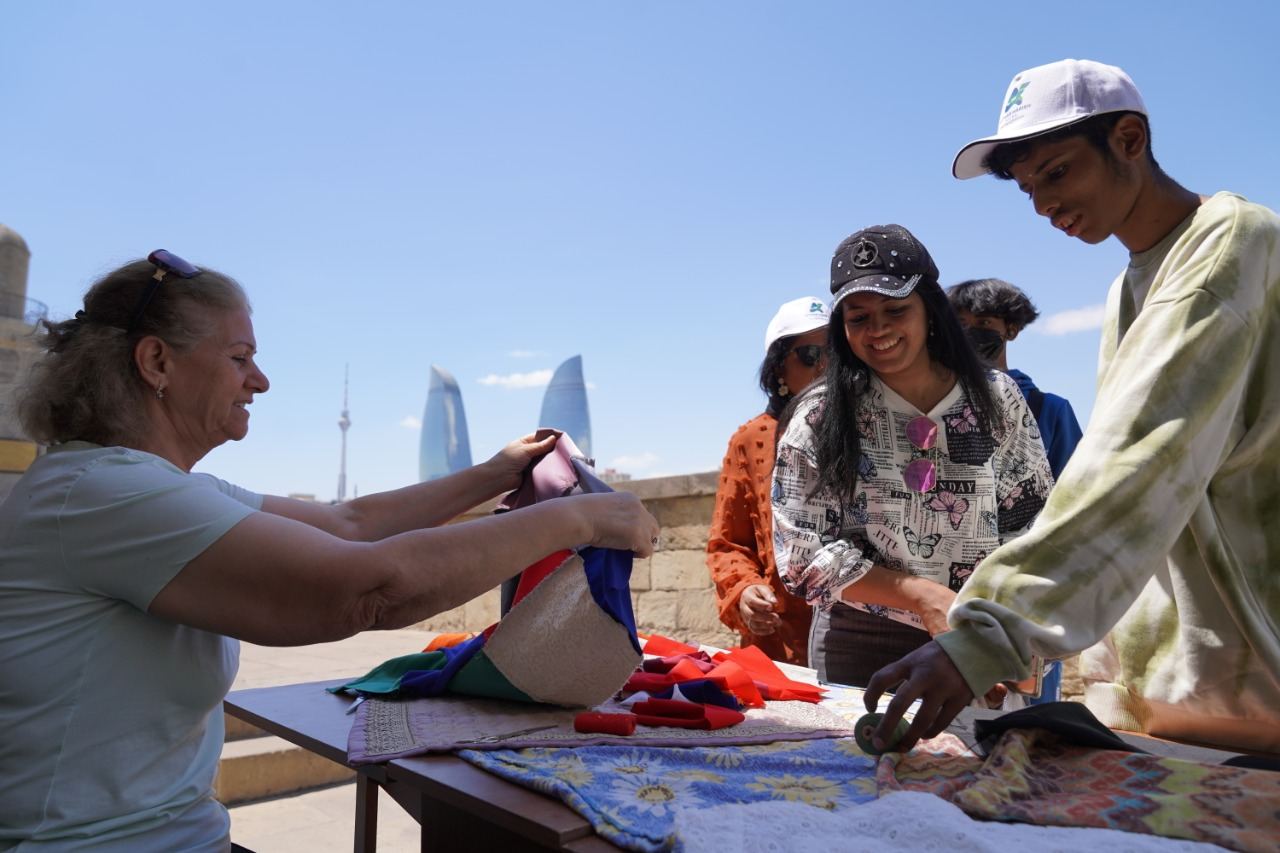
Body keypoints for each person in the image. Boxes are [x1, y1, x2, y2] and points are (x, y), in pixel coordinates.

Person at [0, 251, 659, 852]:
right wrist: (580, 518)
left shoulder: (141, 487)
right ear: (157, 363)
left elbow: (348, 523)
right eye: (239, 357)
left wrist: (493, 472)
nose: (259, 380)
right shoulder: (107, 495)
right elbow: (364, 588)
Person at [866, 58, 1280, 754]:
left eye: (1057, 173)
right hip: (1177, 690)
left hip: (1250, 683)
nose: (1044, 205)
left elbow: (1138, 461)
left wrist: (991, 635)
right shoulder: (1132, 287)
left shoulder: (1229, 246)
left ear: (1128, 139)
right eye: (1029, 189)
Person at [771, 225, 1054, 689]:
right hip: (860, 642)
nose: (878, 329)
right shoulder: (819, 415)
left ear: (931, 311)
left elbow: (1031, 524)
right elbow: (802, 555)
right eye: (858, 317)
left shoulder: (996, 398)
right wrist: (921, 597)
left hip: (977, 631)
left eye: (896, 309)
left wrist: (1004, 631)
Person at [706, 296, 829, 665]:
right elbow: (728, 545)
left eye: (836, 355)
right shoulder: (751, 440)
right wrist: (745, 590)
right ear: (779, 370)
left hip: (866, 646)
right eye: (810, 355)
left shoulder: (875, 432)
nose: (825, 367)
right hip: (780, 650)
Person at [947, 278, 1083, 480]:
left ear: (1011, 330)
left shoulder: (1050, 410)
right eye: (961, 324)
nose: (969, 333)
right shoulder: (937, 400)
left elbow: (1073, 488)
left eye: (983, 322)